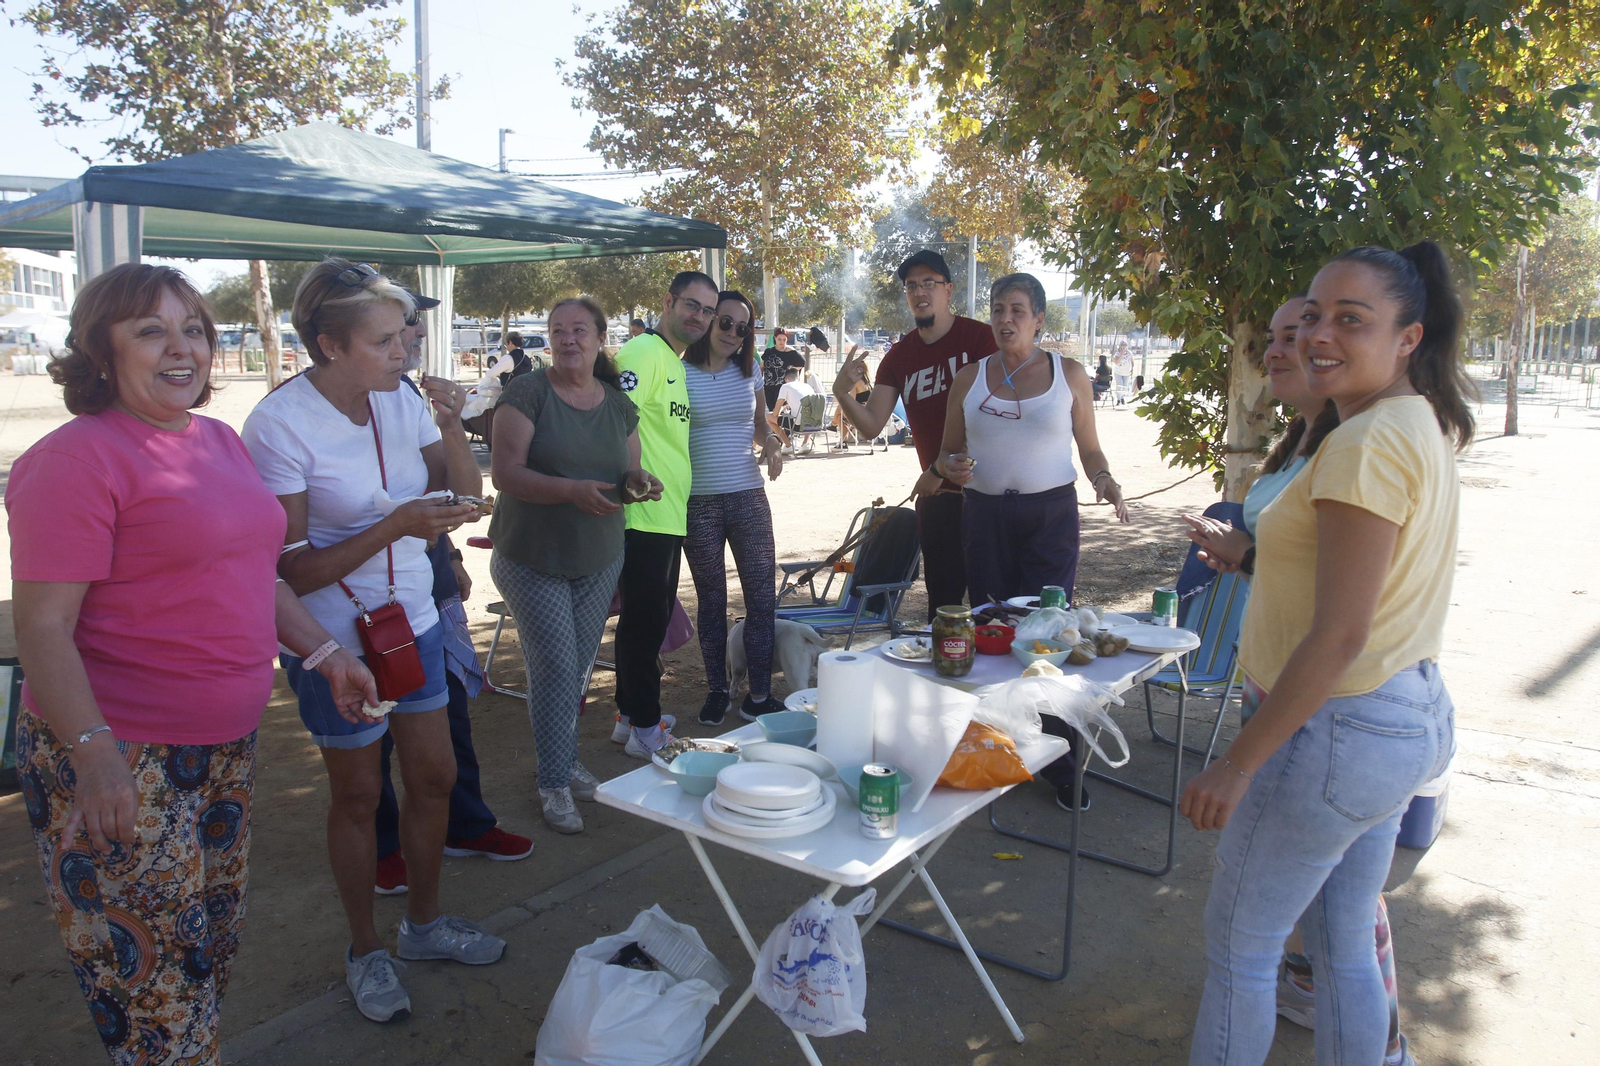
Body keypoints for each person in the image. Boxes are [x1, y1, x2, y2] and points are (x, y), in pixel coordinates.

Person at [8, 263, 379, 1064]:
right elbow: (42, 627)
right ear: (99, 351)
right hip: (122, 757)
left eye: (195, 330)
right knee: (156, 997)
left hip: (221, 748)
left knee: (202, 960)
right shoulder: (75, 460)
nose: (182, 348)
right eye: (151, 330)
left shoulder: (211, 438)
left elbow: (254, 570)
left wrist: (322, 651)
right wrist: (94, 756)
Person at [1182, 242, 1469, 1066]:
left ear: (1408, 337)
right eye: (1315, 314)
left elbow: (1340, 634)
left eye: (1352, 319)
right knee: (1344, 940)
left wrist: (1237, 764)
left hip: (1336, 733)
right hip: (1396, 721)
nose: (1319, 335)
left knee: (1242, 950)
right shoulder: (1411, 422)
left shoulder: (1365, 444)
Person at [243, 258, 501, 1025]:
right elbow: (284, 566)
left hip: (414, 621)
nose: (406, 352)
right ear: (329, 345)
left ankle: (422, 928)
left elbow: (465, 495)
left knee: (433, 777)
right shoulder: (279, 425)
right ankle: (365, 949)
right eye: (385, 340)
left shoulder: (404, 400)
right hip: (332, 639)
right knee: (358, 796)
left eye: (406, 336)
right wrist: (392, 526)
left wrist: (453, 425)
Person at [937, 272, 1129, 812]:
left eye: (1018, 310)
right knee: (996, 634)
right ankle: (1002, 750)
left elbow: (1089, 449)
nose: (1005, 319)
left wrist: (1106, 481)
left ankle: (1064, 767)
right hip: (985, 517)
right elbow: (948, 454)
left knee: (1049, 636)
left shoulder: (1068, 375)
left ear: (1039, 319)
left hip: (1050, 517)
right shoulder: (969, 377)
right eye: (998, 309)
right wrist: (949, 465)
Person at [373, 292, 533, 895]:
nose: (413, 334)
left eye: (412, 323)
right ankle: (385, 845)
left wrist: (451, 555)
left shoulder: (412, 399)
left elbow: (454, 497)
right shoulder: (312, 412)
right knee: (374, 735)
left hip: (427, 589)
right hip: (358, 608)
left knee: (450, 721)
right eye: (397, 325)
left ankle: (464, 824)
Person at [488, 296, 663, 831]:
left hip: (599, 557)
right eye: (558, 330)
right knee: (558, 667)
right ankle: (554, 782)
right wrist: (569, 491)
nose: (568, 339)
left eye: (579, 329)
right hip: (530, 558)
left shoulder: (616, 403)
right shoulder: (527, 392)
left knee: (578, 670)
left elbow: (628, 475)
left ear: (598, 338)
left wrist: (640, 486)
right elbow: (505, 474)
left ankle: (563, 763)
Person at [832, 250, 997, 617]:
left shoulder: (981, 340)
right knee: (944, 612)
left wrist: (941, 467)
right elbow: (873, 424)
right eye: (911, 286)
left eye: (929, 283)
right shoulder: (899, 356)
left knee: (997, 610)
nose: (919, 292)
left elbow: (998, 418)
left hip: (989, 498)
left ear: (948, 289)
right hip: (938, 501)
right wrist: (842, 393)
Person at [613, 271, 718, 757]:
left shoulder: (669, 360)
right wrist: (631, 481)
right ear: (669, 301)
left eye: (707, 311)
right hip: (643, 517)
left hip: (666, 517)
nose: (699, 317)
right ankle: (647, 731)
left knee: (645, 622)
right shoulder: (642, 354)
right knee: (644, 624)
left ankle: (630, 717)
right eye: (692, 305)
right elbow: (612, 424)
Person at [681, 290, 785, 726]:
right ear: (707, 320)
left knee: (762, 599)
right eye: (725, 322)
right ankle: (718, 690)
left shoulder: (752, 369)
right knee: (712, 601)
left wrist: (774, 444)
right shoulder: (677, 372)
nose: (732, 333)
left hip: (748, 497)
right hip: (698, 502)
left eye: (743, 328)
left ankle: (758, 694)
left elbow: (761, 425)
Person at [770, 366, 818, 450]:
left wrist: (781, 409)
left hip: (798, 426)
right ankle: (805, 443)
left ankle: (788, 445)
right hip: (815, 424)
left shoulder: (785, 386)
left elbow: (775, 413)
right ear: (798, 378)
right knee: (807, 414)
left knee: (769, 417)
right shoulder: (807, 386)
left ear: (786, 379)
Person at [760, 327, 805, 411]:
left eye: (784, 339)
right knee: (771, 409)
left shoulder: (791, 352)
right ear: (775, 338)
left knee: (781, 411)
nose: (782, 342)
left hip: (783, 387)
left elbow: (802, 363)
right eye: (779, 339)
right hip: (768, 386)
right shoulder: (768, 351)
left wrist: (790, 371)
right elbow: (762, 367)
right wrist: (759, 381)